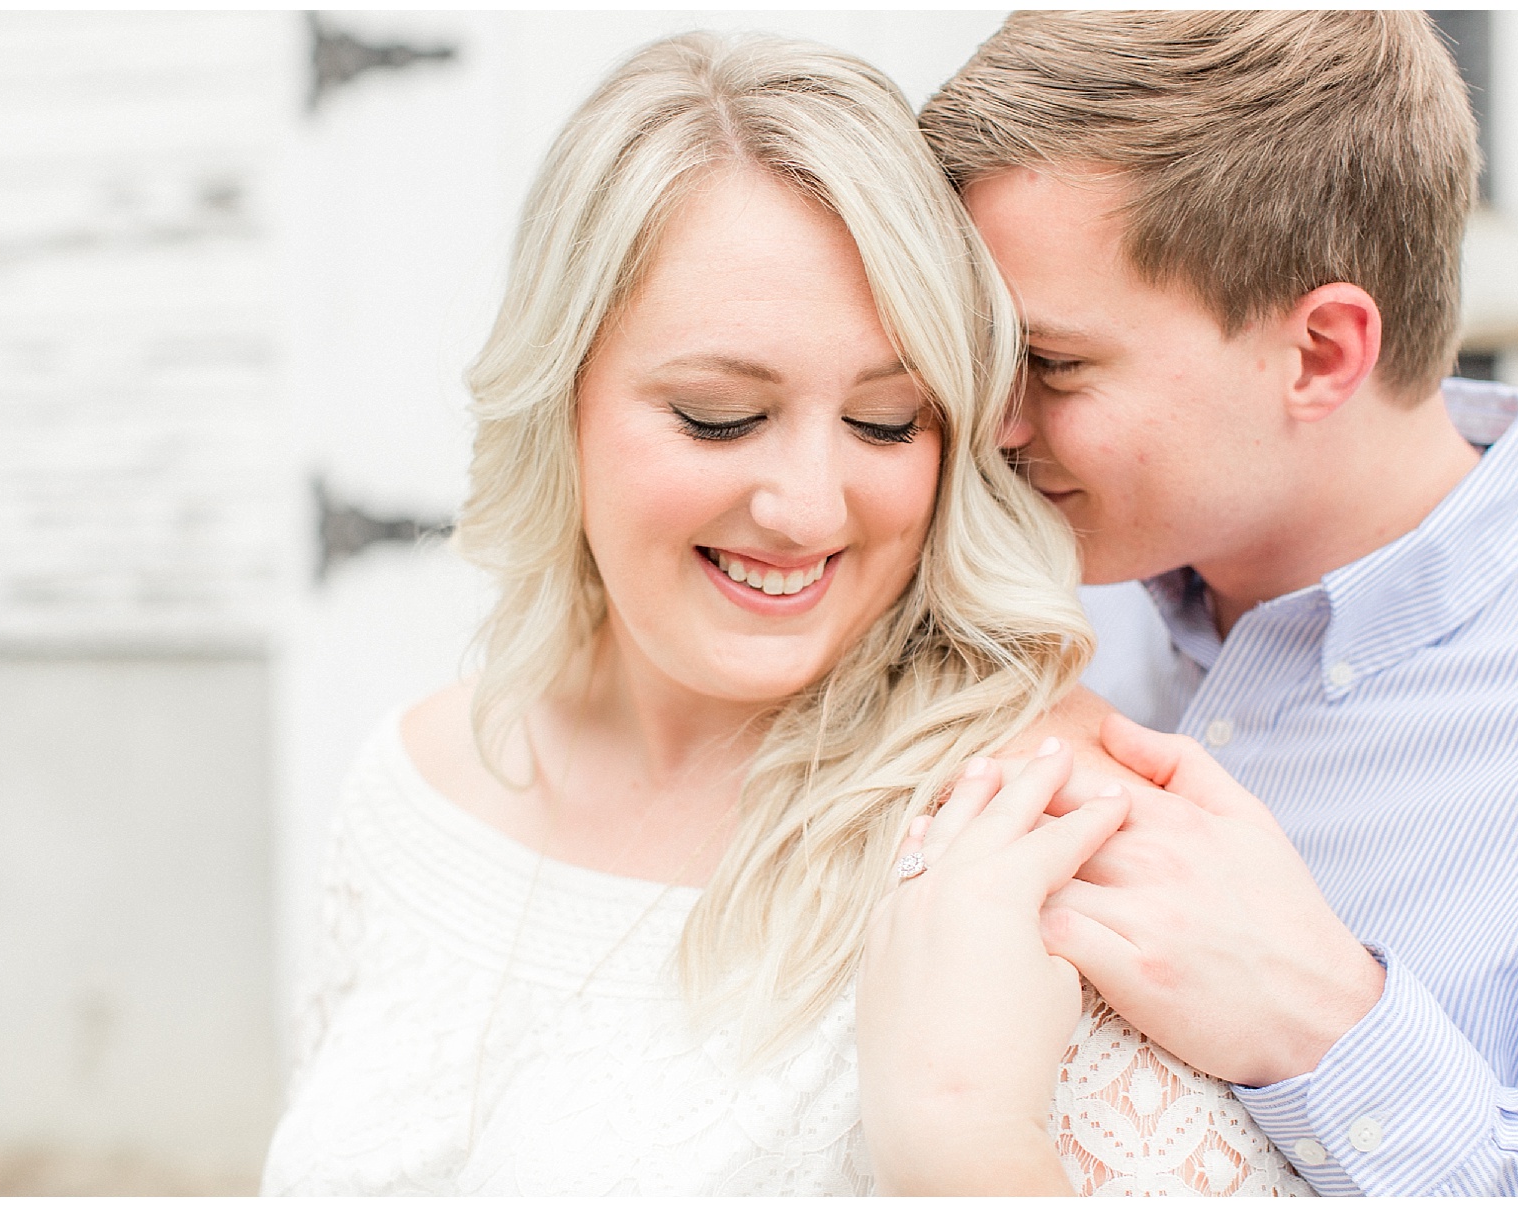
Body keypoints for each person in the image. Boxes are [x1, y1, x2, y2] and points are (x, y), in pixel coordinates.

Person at [259, 32, 1312, 1196]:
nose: (808, 507)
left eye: (885, 422)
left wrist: (960, 1142)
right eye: (721, 415)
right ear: (560, 394)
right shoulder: (415, 785)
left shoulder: (1038, 838)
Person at [917, 9, 1518, 1197]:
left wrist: (1327, 1027)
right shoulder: (1008, 603)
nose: (995, 421)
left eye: (1056, 365)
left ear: (1322, 352)